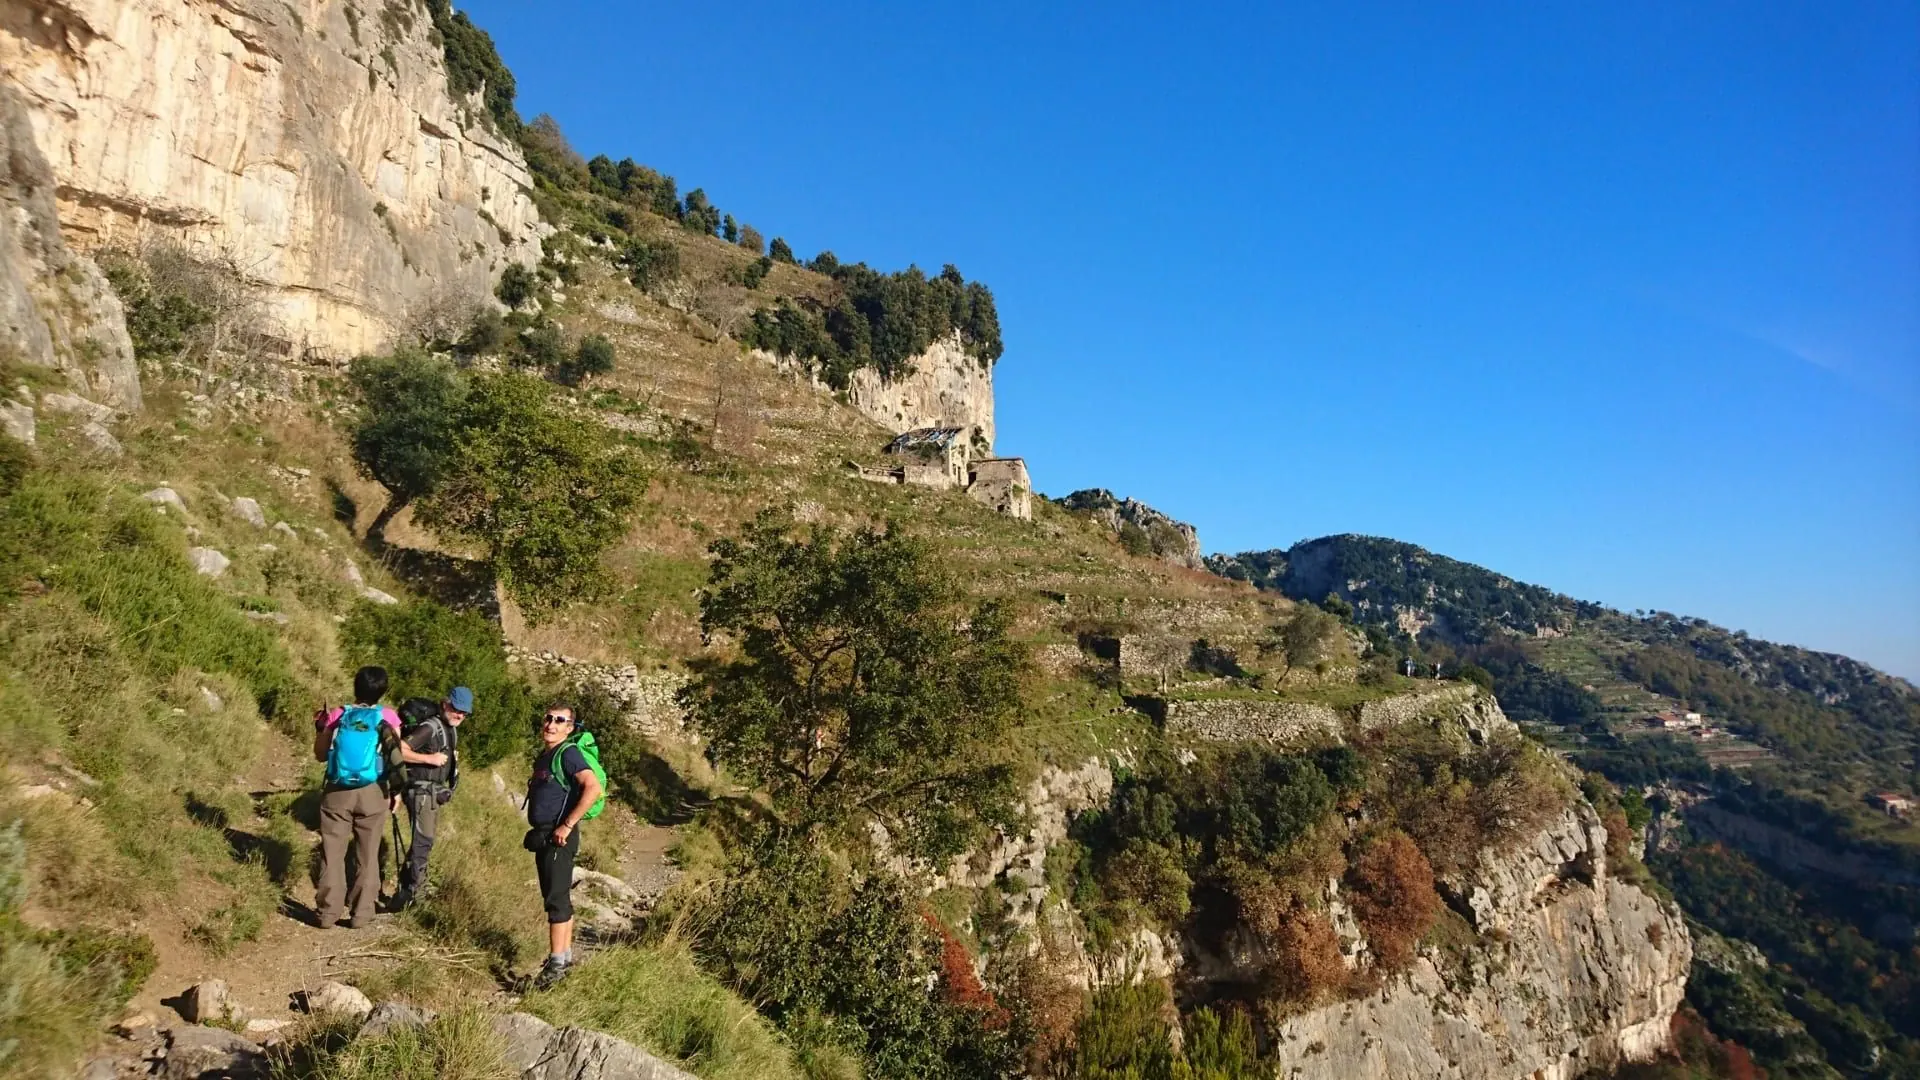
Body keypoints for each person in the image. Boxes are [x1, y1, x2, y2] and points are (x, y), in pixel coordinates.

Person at [526, 703, 603, 988]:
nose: (551, 724)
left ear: (570, 728)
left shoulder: (568, 753)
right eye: (548, 718)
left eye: (560, 721)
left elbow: (593, 787)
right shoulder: (545, 757)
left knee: (556, 900)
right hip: (547, 836)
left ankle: (556, 965)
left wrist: (567, 825)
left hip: (560, 837)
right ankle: (564, 958)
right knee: (557, 897)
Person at [389, 686, 469, 911]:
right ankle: (415, 893)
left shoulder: (449, 729)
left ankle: (408, 891)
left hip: (433, 794)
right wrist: (428, 759)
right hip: (421, 792)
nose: (459, 715)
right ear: (445, 704)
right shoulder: (430, 727)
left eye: (464, 712)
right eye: (456, 709)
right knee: (423, 841)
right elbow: (400, 750)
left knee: (424, 841)